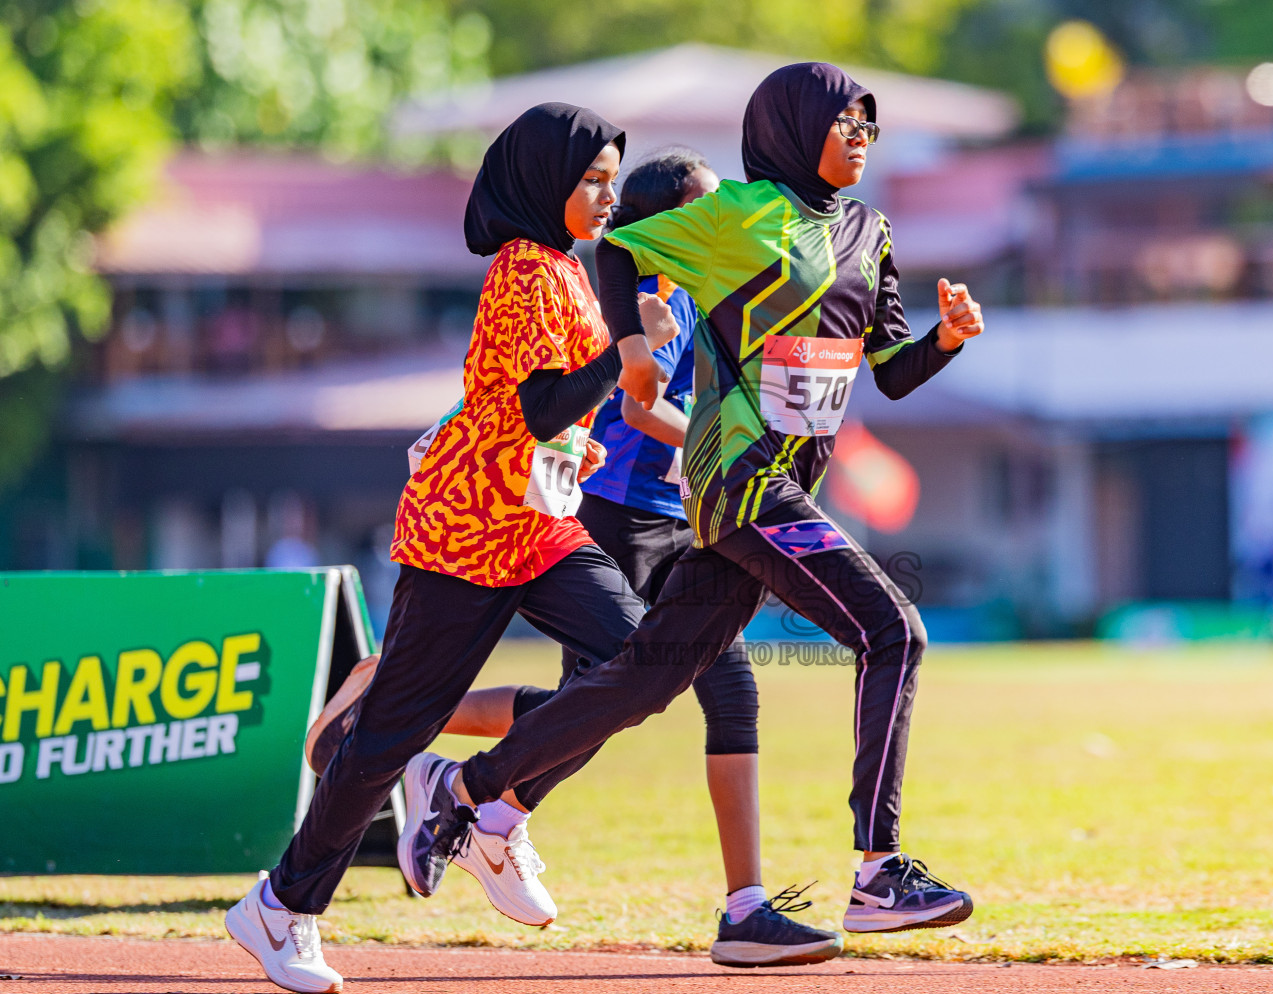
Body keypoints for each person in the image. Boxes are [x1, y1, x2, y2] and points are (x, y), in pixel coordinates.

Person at [395, 62, 986, 940]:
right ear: (793, 127)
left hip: (782, 487)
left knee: (645, 679)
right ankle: (876, 870)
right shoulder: (735, 216)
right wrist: (631, 347)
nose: (863, 137)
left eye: (871, 124)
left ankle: (467, 787)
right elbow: (620, 246)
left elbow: (891, 373)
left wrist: (945, 338)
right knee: (893, 630)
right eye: (845, 122)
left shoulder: (871, 231)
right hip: (737, 480)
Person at [304, 146, 841, 971]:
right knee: (617, 691)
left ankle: (737, 907)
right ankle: (461, 787)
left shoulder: (700, 293)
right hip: (614, 514)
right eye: (703, 209)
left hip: (681, 515)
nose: (718, 221)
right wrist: (741, 448)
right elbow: (638, 403)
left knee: (693, 691)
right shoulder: (645, 289)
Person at [224, 102, 676, 994]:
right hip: (468, 528)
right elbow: (536, 407)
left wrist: (618, 377)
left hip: (541, 525)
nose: (608, 196)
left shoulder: (567, 268)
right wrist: (626, 354)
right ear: (546, 185)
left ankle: (485, 808)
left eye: (613, 179)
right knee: (388, 735)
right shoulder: (519, 270)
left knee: (643, 662)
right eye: (592, 181)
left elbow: (558, 424)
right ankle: (279, 906)